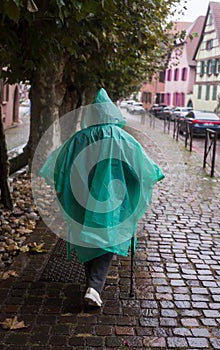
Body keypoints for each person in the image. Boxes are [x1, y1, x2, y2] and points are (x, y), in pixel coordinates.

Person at [39, 88, 164, 307]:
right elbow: (144, 169)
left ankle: (92, 284)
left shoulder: (79, 138)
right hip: (114, 200)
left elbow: (59, 165)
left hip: (82, 197)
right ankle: (94, 287)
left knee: (89, 238)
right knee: (109, 238)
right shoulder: (123, 138)